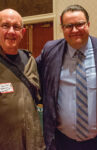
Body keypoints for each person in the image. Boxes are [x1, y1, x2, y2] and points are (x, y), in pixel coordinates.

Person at [36, 4, 97, 150]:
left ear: (88, 24)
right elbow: (31, 75)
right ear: (62, 28)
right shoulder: (50, 50)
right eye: (69, 26)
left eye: (80, 24)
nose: (74, 30)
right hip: (61, 141)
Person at [0, 9, 45, 149]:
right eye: (5, 26)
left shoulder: (30, 61)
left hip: (33, 143)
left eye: (16, 27)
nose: (11, 32)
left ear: (22, 33)